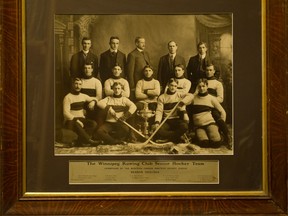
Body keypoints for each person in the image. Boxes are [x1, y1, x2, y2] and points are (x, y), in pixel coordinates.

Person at [152, 78, 193, 144]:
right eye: (171, 85)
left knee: (184, 126)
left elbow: (191, 95)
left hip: (177, 120)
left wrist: (182, 103)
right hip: (167, 120)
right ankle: (176, 138)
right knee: (159, 129)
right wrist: (157, 122)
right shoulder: (162, 97)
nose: (173, 88)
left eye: (175, 86)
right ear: (168, 85)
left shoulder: (179, 94)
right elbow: (159, 111)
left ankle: (168, 139)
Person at [63, 77, 101, 146]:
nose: (78, 86)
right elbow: (66, 113)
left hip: (81, 119)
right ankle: (88, 140)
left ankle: (80, 141)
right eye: (76, 84)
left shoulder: (83, 96)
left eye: (80, 84)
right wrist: (76, 120)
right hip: (70, 121)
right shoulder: (68, 97)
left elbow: (95, 98)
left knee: (93, 123)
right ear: (73, 85)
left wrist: (93, 101)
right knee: (77, 124)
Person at [191, 78, 226, 148]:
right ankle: (199, 136)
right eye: (199, 86)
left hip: (210, 123)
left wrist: (220, 127)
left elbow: (223, 112)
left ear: (207, 86)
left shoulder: (211, 98)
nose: (201, 88)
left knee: (216, 143)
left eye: (203, 86)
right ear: (197, 87)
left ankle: (219, 135)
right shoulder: (192, 98)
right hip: (198, 126)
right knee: (204, 143)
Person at [205, 64, 231, 148]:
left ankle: (228, 136)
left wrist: (210, 100)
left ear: (213, 71)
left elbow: (220, 99)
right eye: (207, 70)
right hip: (202, 105)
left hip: (213, 105)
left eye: (210, 70)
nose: (208, 72)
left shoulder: (218, 83)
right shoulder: (202, 81)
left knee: (216, 114)